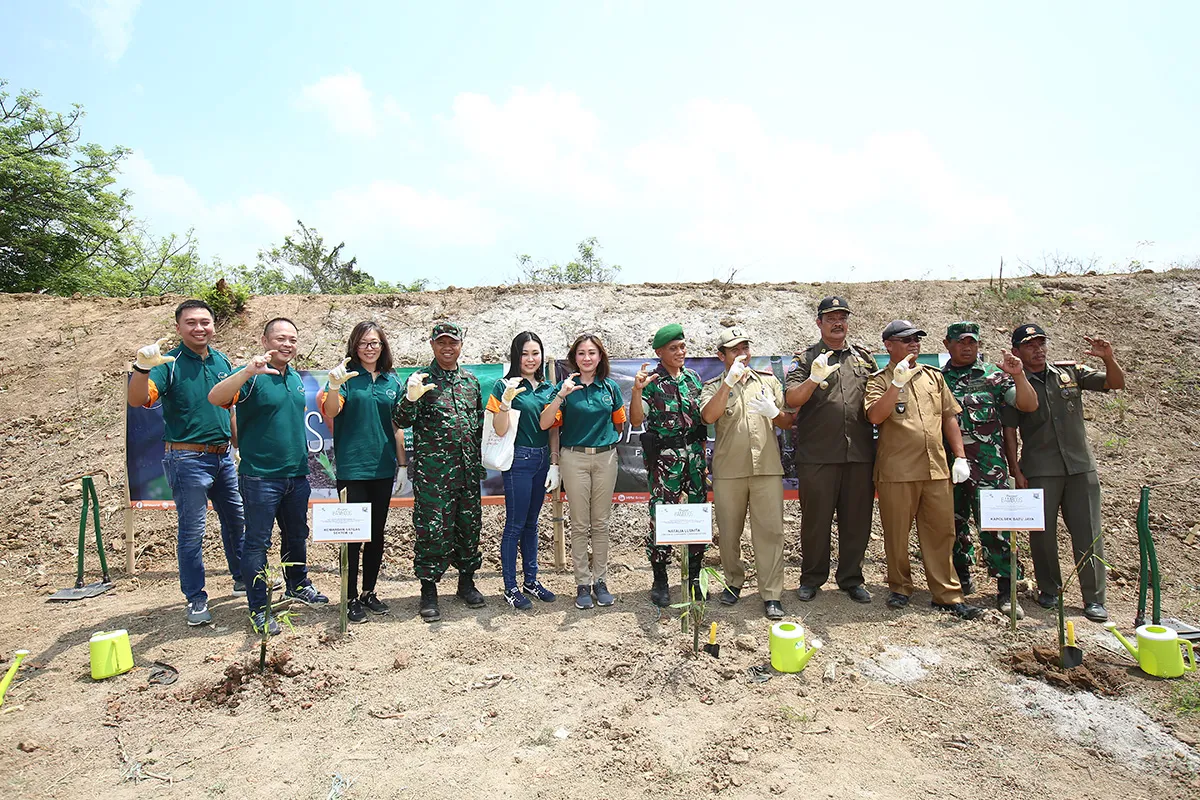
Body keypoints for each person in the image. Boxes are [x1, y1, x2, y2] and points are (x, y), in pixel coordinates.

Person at [127, 299, 244, 627]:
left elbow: (229, 408)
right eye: (191, 322)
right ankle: (195, 598)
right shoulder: (168, 363)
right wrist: (141, 368)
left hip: (224, 458)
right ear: (178, 327)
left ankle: (241, 579)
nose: (199, 328)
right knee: (193, 531)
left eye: (205, 322)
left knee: (236, 522)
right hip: (187, 457)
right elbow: (137, 399)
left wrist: (239, 445)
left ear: (213, 325)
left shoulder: (222, 360)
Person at [208, 318, 329, 635]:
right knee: (256, 544)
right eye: (280, 338)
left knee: (296, 535)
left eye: (292, 339)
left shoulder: (296, 379)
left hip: (297, 475)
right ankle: (259, 609)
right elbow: (216, 398)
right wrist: (247, 371)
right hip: (260, 477)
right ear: (265, 341)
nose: (287, 344)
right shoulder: (251, 376)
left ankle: (297, 584)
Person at [1002, 323, 1124, 623]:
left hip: (1080, 468)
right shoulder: (1012, 383)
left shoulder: (1070, 374)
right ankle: (1049, 590)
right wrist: (1015, 469)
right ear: (1017, 350)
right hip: (1040, 469)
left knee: (1088, 533)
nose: (1038, 349)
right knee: (1042, 535)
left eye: (1041, 343)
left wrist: (1108, 358)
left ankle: (1094, 599)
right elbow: (1009, 431)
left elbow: (1115, 383)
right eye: (1030, 345)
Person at [864, 320, 983, 620]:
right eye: (905, 340)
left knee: (941, 534)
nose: (913, 344)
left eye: (916, 339)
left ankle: (946, 594)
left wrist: (960, 457)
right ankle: (900, 588)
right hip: (897, 472)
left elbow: (949, 418)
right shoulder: (879, 380)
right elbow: (876, 416)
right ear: (889, 345)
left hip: (936, 469)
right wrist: (896, 384)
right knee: (896, 535)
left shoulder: (933, 377)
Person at [783, 296, 877, 605]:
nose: (838, 322)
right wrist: (813, 379)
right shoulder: (806, 358)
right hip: (819, 456)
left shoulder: (864, 359)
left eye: (842, 317)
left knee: (857, 521)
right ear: (819, 322)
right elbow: (792, 399)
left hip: (860, 455)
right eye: (831, 317)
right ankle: (812, 578)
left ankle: (851, 578)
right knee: (816, 522)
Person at [941, 321, 1038, 618]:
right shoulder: (937, 379)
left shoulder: (994, 377)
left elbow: (1027, 404)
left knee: (996, 527)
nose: (967, 346)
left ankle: (1007, 587)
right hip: (948, 465)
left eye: (972, 342)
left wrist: (1018, 376)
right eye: (960, 342)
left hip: (988, 466)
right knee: (951, 523)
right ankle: (961, 576)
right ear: (947, 345)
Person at [392, 322, 486, 623]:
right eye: (441, 342)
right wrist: (410, 398)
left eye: (453, 342)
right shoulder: (420, 380)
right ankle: (429, 589)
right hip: (434, 475)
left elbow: (480, 425)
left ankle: (466, 582)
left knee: (469, 528)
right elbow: (400, 420)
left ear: (461, 345)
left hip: (468, 472)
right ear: (432, 345)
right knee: (432, 531)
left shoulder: (471, 382)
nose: (448, 347)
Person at [700, 327, 793, 620]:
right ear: (722, 356)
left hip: (766, 468)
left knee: (770, 532)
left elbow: (789, 422)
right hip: (730, 471)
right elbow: (708, 417)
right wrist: (728, 384)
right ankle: (733, 582)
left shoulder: (768, 381)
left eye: (745, 348)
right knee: (729, 533)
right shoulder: (714, 386)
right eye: (735, 350)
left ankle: (771, 594)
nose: (743, 354)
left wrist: (774, 414)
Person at [319, 322, 409, 624]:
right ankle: (349, 596)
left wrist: (402, 467)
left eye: (375, 343)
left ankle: (369, 591)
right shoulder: (346, 379)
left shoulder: (391, 382)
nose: (370, 348)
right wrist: (333, 386)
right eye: (363, 343)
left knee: (375, 535)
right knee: (352, 536)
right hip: (353, 469)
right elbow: (331, 412)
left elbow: (397, 428)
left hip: (382, 469)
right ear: (354, 346)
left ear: (383, 347)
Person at [540, 333, 626, 610]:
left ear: (600, 357)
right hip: (573, 458)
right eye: (581, 353)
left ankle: (600, 581)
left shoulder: (610, 388)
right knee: (579, 524)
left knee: (600, 523)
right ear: (573, 358)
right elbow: (548, 424)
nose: (587, 358)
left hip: (605, 458)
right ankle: (582, 583)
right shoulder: (565, 387)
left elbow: (620, 425)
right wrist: (561, 395)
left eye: (592, 353)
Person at [629, 323, 709, 607]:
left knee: (697, 515)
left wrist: (702, 462)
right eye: (673, 348)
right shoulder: (652, 382)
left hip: (695, 462)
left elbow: (702, 421)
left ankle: (694, 577)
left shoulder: (693, 379)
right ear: (659, 352)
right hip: (666, 464)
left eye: (682, 347)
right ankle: (660, 578)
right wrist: (637, 391)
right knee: (662, 518)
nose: (680, 352)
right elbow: (637, 420)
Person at [487, 331, 561, 610]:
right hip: (517, 460)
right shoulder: (503, 385)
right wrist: (506, 401)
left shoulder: (548, 388)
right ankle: (510, 587)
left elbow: (553, 427)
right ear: (515, 355)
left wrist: (554, 462)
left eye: (535, 353)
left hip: (542, 460)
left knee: (532, 523)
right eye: (525, 353)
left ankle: (531, 580)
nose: (530, 359)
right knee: (515, 525)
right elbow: (499, 428)